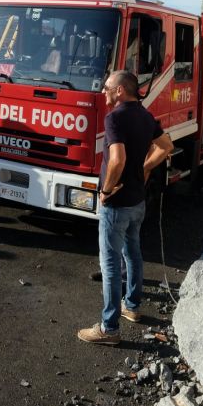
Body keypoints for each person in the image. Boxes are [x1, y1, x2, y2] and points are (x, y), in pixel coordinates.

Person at [78, 70, 174, 346]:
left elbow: (117, 159)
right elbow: (166, 146)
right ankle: (131, 305)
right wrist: (145, 167)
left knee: (109, 265)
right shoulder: (145, 116)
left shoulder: (114, 117)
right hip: (137, 201)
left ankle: (109, 329)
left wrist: (106, 190)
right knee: (133, 253)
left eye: (107, 87)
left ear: (120, 90)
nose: (103, 92)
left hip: (117, 203)